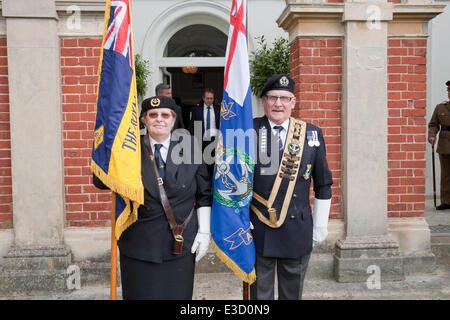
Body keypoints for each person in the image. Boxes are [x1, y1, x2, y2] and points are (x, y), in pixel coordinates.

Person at [94, 96, 212, 299]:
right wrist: (108, 147)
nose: (159, 119)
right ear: (144, 120)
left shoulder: (191, 147)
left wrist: (204, 231)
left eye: (165, 115)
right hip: (139, 244)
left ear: (173, 121)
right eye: (153, 115)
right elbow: (100, 182)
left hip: (180, 242)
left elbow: (204, 194)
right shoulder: (129, 151)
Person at [249, 74, 333, 300]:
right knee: (259, 294)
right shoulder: (247, 130)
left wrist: (320, 226)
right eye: (273, 97)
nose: (278, 104)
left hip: (297, 226)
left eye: (285, 98)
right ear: (264, 101)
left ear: (293, 102)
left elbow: (323, 184)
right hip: (258, 226)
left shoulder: (311, 133)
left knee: (292, 293)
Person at [428, 80, 450, 210]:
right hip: (445, 144)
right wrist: (432, 135)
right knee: (446, 174)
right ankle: (446, 201)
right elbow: (433, 124)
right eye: (449, 91)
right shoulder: (440, 107)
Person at [189, 88, 221, 175]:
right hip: (201, 141)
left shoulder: (219, 109)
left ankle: (212, 182)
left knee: (214, 163)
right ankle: (204, 183)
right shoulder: (196, 110)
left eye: (211, 98)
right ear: (203, 98)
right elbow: (192, 127)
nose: (209, 100)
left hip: (215, 141)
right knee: (202, 164)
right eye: (207, 98)